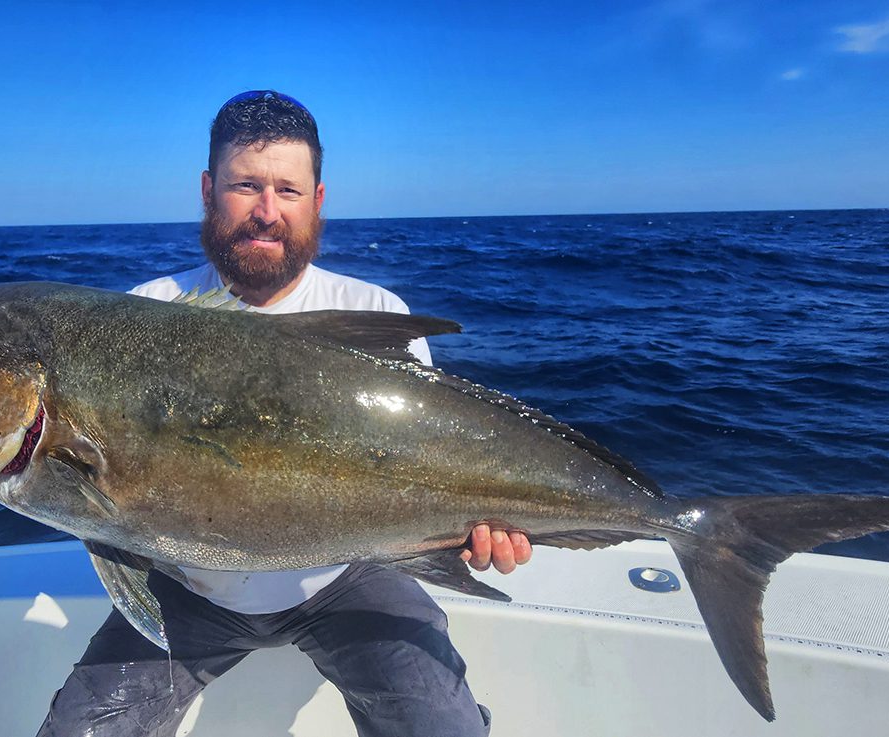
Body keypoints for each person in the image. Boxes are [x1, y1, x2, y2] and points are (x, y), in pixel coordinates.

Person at [36, 90, 531, 737]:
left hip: (349, 576)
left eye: (288, 191)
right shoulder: (144, 315)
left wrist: (479, 525)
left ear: (318, 200)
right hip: (187, 584)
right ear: (209, 190)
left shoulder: (373, 308)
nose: (267, 212)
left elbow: (425, 477)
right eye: (246, 185)